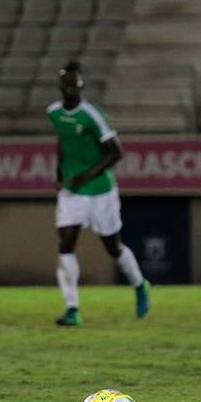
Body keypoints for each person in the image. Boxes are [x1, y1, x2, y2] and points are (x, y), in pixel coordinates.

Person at [47, 60, 150, 326]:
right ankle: (72, 308)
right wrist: (60, 170)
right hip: (71, 191)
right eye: (67, 82)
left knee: (112, 247)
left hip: (99, 191)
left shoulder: (92, 114)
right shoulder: (54, 113)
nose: (71, 86)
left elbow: (116, 152)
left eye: (76, 82)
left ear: (81, 85)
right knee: (65, 243)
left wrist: (87, 174)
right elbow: (64, 141)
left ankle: (139, 284)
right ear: (61, 84)